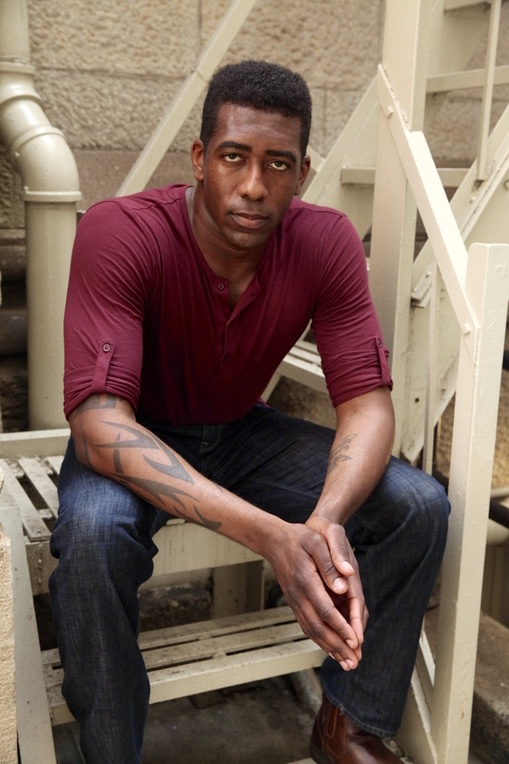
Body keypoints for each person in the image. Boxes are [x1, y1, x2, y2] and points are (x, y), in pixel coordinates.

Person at [50, 59, 449, 764]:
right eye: (234, 157)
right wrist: (272, 537)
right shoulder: (122, 230)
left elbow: (366, 405)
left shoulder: (323, 241)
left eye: (278, 164)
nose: (254, 185)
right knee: (91, 538)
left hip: (240, 431)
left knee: (417, 505)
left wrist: (322, 522)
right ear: (200, 159)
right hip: (134, 433)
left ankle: (349, 726)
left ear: (301, 173)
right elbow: (99, 426)